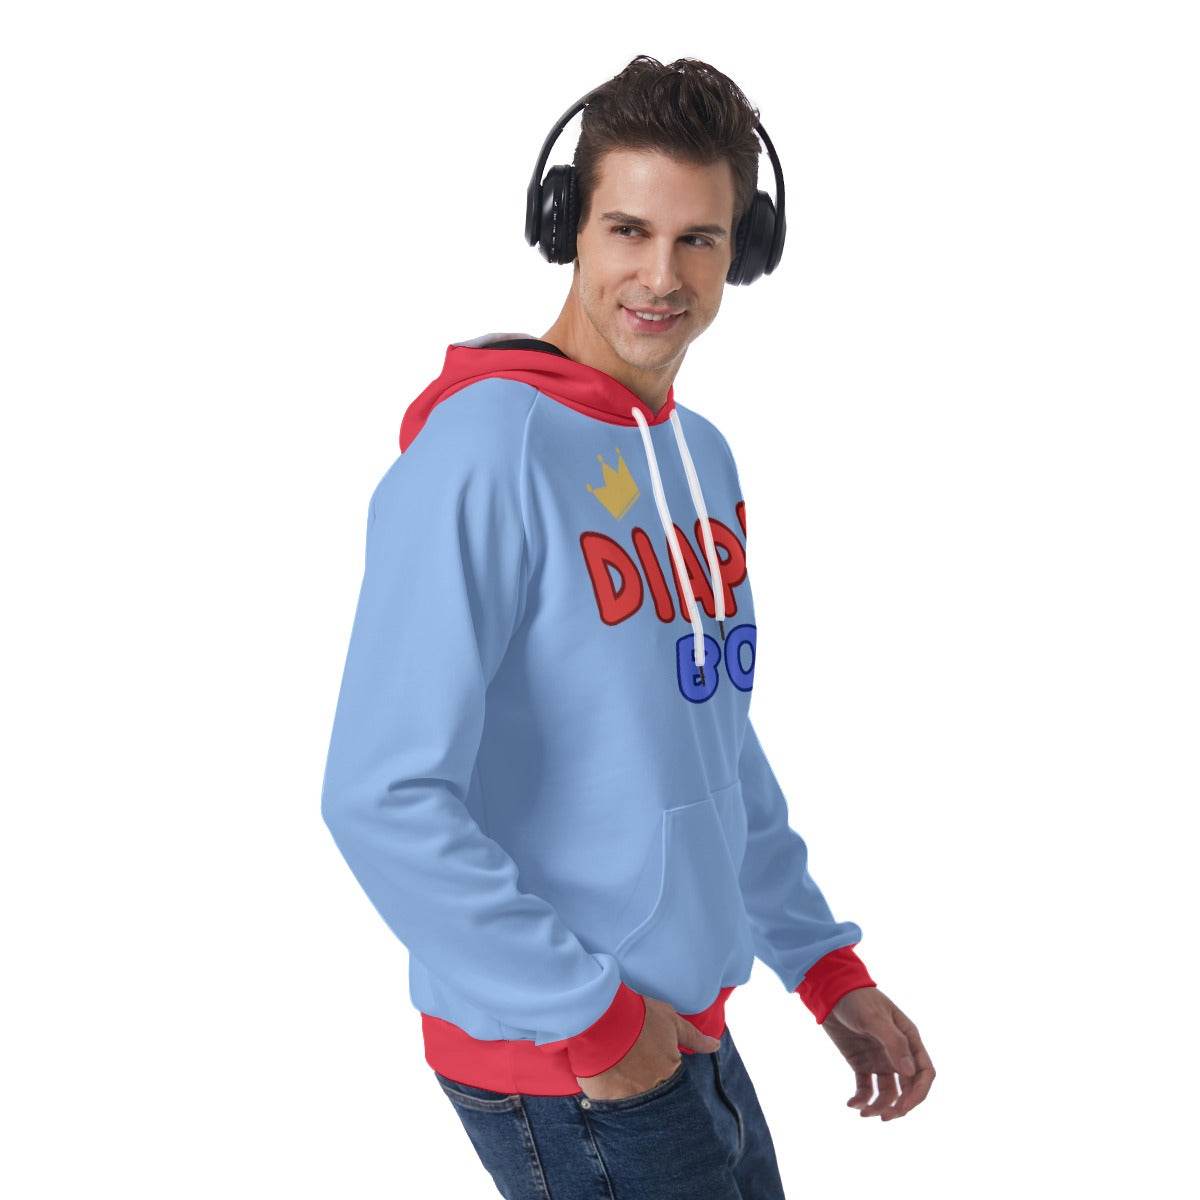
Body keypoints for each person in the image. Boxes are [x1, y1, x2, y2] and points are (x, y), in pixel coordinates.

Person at [320, 55, 934, 1198]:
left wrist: (821, 965)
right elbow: (381, 793)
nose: (661, 275)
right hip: (572, 1057)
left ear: (745, 247)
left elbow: (708, 738)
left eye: (698, 238)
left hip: (682, 1029)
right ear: (568, 223)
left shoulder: (700, 458)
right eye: (628, 231)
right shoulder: (480, 455)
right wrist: (595, 1020)